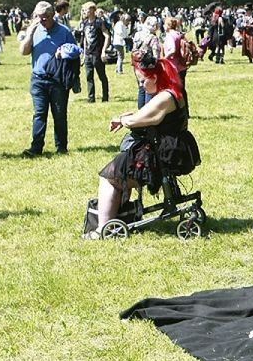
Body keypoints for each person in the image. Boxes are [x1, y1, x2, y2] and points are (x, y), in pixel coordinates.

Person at [85, 50, 199, 239]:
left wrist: (124, 121)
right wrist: (124, 117)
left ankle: (102, 230)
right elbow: (143, 112)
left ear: (154, 77)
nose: (140, 85)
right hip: (171, 149)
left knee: (110, 177)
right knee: (120, 167)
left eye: (142, 81)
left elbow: (146, 117)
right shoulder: (172, 91)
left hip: (161, 156)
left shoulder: (165, 98)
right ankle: (119, 214)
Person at [19, 0, 77, 157]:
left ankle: (61, 147)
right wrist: (30, 33)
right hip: (38, 79)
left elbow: (76, 50)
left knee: (59, 114)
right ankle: (36, 147)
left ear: (52, 16)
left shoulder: (64, 32)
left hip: (58, 80)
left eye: (44, 18)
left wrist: (64, 52)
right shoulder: (35, 30)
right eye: (38, 17)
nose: (41, 21)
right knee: (39, 113)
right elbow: (24, 52)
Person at [78, 1, 111, 103]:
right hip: (88, 54)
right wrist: (83, 55)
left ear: (92, 10)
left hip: (97, 54)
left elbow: (107, 36)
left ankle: (105, 97)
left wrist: (103, 51)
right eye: (83, 10)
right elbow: (84, 39)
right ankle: (91, 98)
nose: (85, 12)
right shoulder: (84, 23)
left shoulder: (99, 22)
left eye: (86, 9)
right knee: (89, 77)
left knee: (102, 76)